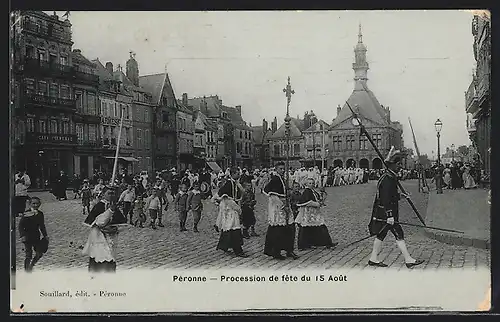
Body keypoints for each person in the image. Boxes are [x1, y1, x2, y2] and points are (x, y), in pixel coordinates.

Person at [368, 147, 424, 269]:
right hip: (386, 213)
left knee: (382, 235)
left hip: (385, 212)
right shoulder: (388, 179)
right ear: (391, 165)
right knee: (397, 233)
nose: (400, 167)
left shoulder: (389, 176)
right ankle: (408, 259)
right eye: (398, 165)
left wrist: (401, 196)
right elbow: (386, 198)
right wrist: (389, 216)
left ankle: (373, 258)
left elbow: (391, 195)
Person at [82, 186, 127, 273]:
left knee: (110, 261)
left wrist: (115, 229)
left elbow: (122, 224)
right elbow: (98, 222)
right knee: (98, 260)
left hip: (111, 239)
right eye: (109, 193)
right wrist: (110, 211)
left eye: (113, 193)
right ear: (103, 194)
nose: (111, 195)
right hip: (99, 239)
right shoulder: (99, 206)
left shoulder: (114, 207)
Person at [263, 161, 299, 260]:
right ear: (276, 169)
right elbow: (273, 195)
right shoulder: (275, 179)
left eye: (283, 169)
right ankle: (275, 251)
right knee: (278, 230)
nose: (282, 171)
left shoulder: (282, 179)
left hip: (285, 205)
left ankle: (289, 250)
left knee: (290, 228)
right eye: (280, 169)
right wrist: (284, 206)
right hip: (278, 208)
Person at [213, 167, 248, 257]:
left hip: (232, 209)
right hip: (230, 210)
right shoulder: (229, 184)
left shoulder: (235, 183)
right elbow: (225, 197)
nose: (239, 175)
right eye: (237, 173)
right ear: (232, 174)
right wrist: (238, 208)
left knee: (230, 227)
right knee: (234, 227)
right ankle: (238, 250)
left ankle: (225, 246)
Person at [295, 178, 336, 250]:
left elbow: (317, 198)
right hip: (308, 213)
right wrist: (317, 204)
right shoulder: (306, 192)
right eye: (309, 183)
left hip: (314, 213)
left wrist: (322, 196)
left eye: (312, 183)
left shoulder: (312, 191)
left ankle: (323, 242)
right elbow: (307, 202)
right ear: (306, 184)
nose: (311, 185)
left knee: (317, 227)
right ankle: (304, 245)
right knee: (307, 228)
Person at [19, 197, 49, 272]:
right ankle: (26, 270)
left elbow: (42, 225)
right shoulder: (26, 213)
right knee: (28, 255)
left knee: (39, 253)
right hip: (27, 236)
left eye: (37, 203)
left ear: (40, 204)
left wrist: (45, 235)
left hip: (36, 236)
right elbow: (21, 226)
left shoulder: (40, 214)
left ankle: (32, 265)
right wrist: (22, 235)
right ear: (30, 204)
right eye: (33, 203)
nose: (35, 205)